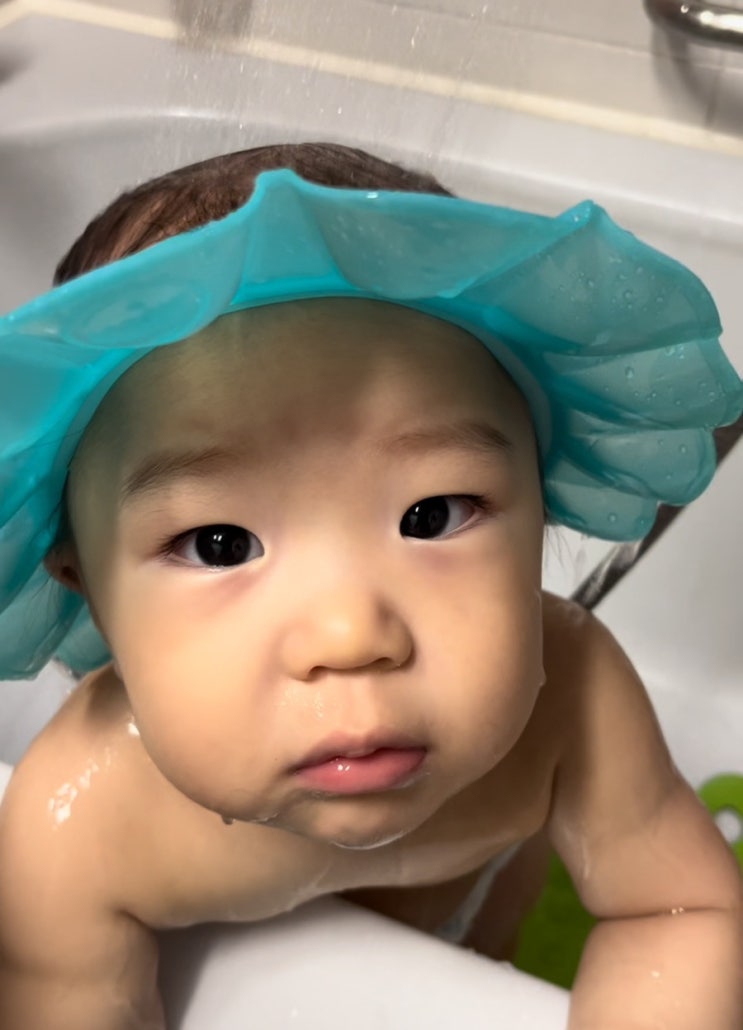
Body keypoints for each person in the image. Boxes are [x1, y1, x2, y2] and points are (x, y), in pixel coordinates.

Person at [0, 142, 741, 1030]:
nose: (350, 635)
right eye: (218, 544)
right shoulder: (81, 823)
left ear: (539, 507)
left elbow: (679, 908)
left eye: (432, 515)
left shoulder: (573, 701)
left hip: (472, 936)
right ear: (85, 585)